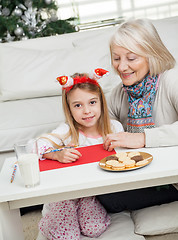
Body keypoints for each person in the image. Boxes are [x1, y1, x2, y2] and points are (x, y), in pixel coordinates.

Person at [97, 19, 178, 213]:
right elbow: (100, 129)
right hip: (141, 176)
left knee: (108, 200)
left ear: (152, 55)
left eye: (131, 58)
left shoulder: (171, 80)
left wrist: (142, 138)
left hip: (171, 178)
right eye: (116, 58)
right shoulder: (119, 93)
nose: (122, 67)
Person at [37, 68, 124, 240]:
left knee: (95, 229)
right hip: (64, 197)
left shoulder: (114, 128)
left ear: (101, 103)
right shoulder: (67, 131)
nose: (87, 111)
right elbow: (37, 146)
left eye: (92, 102)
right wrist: (57, 154)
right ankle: (47, 222)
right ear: (69, 109)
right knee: (67, 236)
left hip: (90, 195)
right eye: (78, 105)